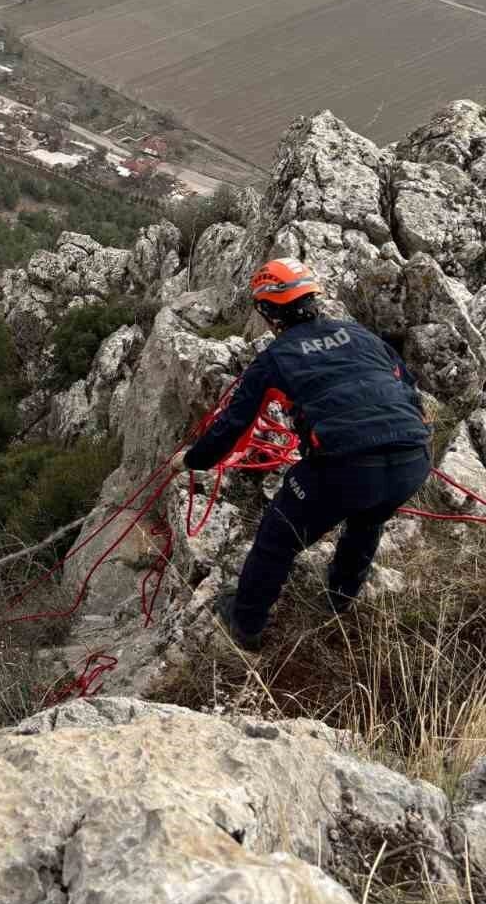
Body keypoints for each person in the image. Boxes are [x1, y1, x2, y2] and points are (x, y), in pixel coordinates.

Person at [171, 257, 432, 651]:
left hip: (344, 466)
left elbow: (233, 426)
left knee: (278, 538)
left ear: (268, 311)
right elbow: (409, 389)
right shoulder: (360, 335)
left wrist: (193, 460)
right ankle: (340, 598)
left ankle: (246, 623)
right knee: (368, 518)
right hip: (413, 458)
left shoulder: (275, 359)